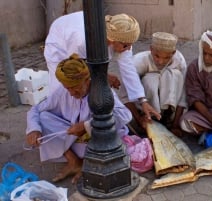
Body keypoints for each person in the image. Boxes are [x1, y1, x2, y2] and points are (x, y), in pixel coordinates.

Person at [25, 53, 132, 183]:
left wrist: (86, 126)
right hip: (75, 141)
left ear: (87, 81)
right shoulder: (63, 92)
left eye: (75, 87)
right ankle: (74, 161)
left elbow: (125, 115)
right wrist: (34, 129)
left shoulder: (101, 91)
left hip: (97, 144)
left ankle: (88, 163)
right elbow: (35, 110)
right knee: (43, 118)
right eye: (67, 88)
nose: (71, 93)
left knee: (116, 143)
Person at [44, 11, 161, 122]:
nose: (129, 49)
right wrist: (104, 76)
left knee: (90, 86)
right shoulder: (82, 40)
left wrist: (143, 101)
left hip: (83, 41)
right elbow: (75, 66)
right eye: (126, 46)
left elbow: (129, 70)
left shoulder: (122, 38)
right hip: (61, 42)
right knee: (65, 85)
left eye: (131, 45)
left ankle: (86, 122)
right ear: (111, 39)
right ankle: (62, 121)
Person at [120, 32, 187, 136]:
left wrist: (175, 125)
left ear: (173, 53)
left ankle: (167, 117)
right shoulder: (138, 61)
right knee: (150, 79)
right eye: (157, 56)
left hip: (169, 108)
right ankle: (151, 118)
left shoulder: (179, 61)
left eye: (166, 58)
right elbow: (124, 96)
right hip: (143, 106)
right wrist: (139, 119)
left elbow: (183, 95)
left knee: (174, 75)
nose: (160, 61)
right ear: (151, 49)